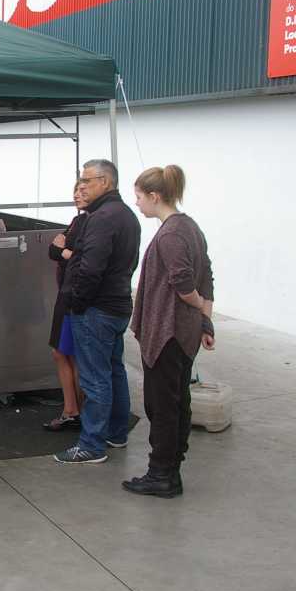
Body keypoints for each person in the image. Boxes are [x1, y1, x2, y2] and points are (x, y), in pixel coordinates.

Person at [125, 165, 215, 497]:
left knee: (162, 405)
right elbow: (207, 274)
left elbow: (186, 282)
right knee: (176, 402)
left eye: (138, 197)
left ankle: (161, 473)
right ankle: (169, 471)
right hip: (182, 332)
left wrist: (194, 304)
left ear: (155, 196)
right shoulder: (189, 226)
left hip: (169, 332)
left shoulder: (173, 233)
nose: (137, 203)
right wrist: (205, 320)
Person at [54, 158, 140, 465]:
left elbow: (90, 268)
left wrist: (78, 302)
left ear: (105, 182)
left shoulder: (101, 218)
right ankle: (116, 432)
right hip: (117, 306)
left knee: (95, 378)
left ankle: (91, 444)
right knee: (114, 371)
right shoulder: (126, 215)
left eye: (87, 180)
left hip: (96, 309)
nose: (82, 185)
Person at [44, 181, 89, 432]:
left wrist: (64, 251)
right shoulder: (78, 220)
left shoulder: (87, 223)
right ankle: (72, 409)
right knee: (63, 353)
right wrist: (61, 250)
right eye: (75, 190)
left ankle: (75, 410)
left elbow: (68, 252)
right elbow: (54, 248)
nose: (77, 195)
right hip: (68, 295)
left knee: (68, 354)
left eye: (83, 190)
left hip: (75, 297)